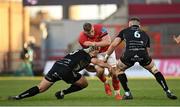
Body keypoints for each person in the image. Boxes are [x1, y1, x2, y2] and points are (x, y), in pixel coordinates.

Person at [104, 17, 177, 100]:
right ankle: (168, 91)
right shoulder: (145, 34)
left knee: (119, 70)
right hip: (143, 54)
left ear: (130, 24)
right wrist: (145, 59)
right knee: (154, 70)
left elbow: (114, 45)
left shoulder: (124, 31)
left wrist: (106, 56)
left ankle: (127, 93)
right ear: (139, 25)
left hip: (129, 54)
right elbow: (148, 51)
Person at [8, 46, 112, 100]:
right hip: (66, 71)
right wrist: (109, 66)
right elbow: (96, 62)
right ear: (92, 51)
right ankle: (63, 93)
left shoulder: (80, 53)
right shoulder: (87, 55)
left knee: (41, 88)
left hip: (57, 66)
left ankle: (18, 97)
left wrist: (95, 69)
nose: (97, 53)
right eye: (96, 52)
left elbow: (88, 67)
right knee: (84, 83)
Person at [78, 23, 121, 100]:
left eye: (92, 31)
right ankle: (106, 82)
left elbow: (108, 42)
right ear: (84, 32)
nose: (91, 34)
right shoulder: (81, 38)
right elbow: (89, 52)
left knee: (114, 73)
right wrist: (93, 52)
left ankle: (117, 93)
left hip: (108, 51)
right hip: (98, 54)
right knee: (99, 70)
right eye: (88, 33)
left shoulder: (99, 28)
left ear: (93, 27)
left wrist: (94, 43)